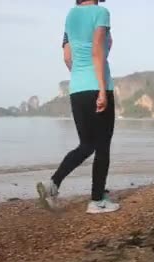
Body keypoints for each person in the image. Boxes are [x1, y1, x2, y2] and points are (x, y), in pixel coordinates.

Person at [37, 0, 119, 214]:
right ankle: (97, 200)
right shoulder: (101, 12)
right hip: (97, 86)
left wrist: (81, 76)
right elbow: (97, 51)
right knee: (102, 146)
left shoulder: (71, 15)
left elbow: (67, 57)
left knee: (86, 145)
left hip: (77, 88)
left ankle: (52, 184)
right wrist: (101, 90)